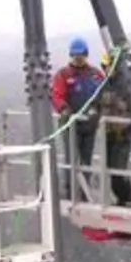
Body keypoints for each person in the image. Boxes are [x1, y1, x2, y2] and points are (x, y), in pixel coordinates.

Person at [50, 37, 103, 198]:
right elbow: (56, 95)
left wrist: (97, 109)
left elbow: (103, 94)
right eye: (75, 56)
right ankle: (71, 191)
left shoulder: (96, 74)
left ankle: (84, 191)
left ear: (86, 55)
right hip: (70, 123)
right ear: (71, 56)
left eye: (81, 56)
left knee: (86, 159)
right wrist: (64, 109)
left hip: (90, 124)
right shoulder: (63, 75)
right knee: (72, 158)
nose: (78, 59)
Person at [96, 51, 131, 206]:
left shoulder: (127, 85)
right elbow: (97, 104)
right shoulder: (103, 85)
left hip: (123, 134)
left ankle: (128, 197)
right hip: (109, 133)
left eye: (110, 66)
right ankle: (124, 198)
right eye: (105, 66)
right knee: (109, 169)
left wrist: (123, 126)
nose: (107, 69)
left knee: (118, 169)